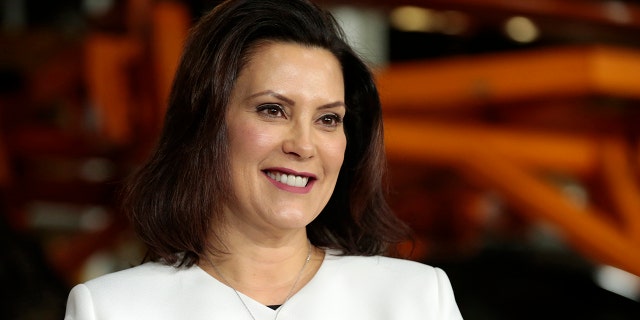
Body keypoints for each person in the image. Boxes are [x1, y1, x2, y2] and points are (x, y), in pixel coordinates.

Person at [64, 0, 463, 319]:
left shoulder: (418, 299)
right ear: (205, 121)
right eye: (273, 110)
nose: (304, 145)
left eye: (328, 119)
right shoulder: (112, 309)